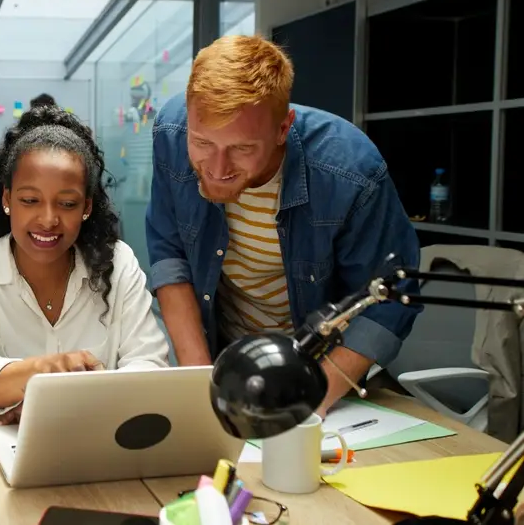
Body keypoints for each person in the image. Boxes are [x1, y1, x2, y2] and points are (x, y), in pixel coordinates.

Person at [145, 35, 421, 417]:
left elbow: (389, 298)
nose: (218, 169)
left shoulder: (350, 171)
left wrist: (312, 401)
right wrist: (201, 382)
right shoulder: (170, 133)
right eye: (203, 142)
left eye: (241, 148)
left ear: (283, 127)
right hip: (226, 356)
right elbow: (170, 255)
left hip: (323, 367)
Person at [0, 105, 169, 423]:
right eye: (30, 200)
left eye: (67, 204)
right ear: (7, 200)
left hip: (98, 446)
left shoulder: (118, 263)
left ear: (86, 207)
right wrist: (47, 372)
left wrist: (49, 400)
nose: (48, 220)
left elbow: (151, 365)